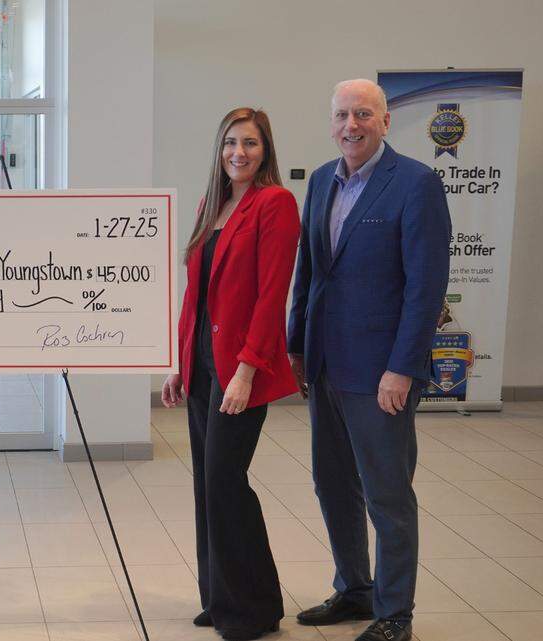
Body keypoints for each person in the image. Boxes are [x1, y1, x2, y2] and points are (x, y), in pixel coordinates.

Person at [287, 79, 451, 641]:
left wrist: (402, 367)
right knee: (332, 484)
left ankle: (394, 613)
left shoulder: (415, 184)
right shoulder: (322, 183)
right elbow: (309, 271)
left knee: (387, 494)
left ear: (385, 121)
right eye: (340, 115)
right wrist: (295, 345)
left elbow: (425, 289)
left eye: (362, 114)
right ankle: (354, 590)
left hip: (381, 373)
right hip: (326, 365)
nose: (350, 125)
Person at [162, 107, 300, 641]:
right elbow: (194, 295)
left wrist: (246, 370)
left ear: (265, 151)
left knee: (226, 481)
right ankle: (220, 598)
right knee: (206, 483)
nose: (238, 153)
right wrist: (178, 364)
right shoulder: (212, 204)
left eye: (249, 143)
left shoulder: (276, 203)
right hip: (202, 362)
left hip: (241, 365)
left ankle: (255, 609)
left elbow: (272, 295)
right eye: (229, 143)